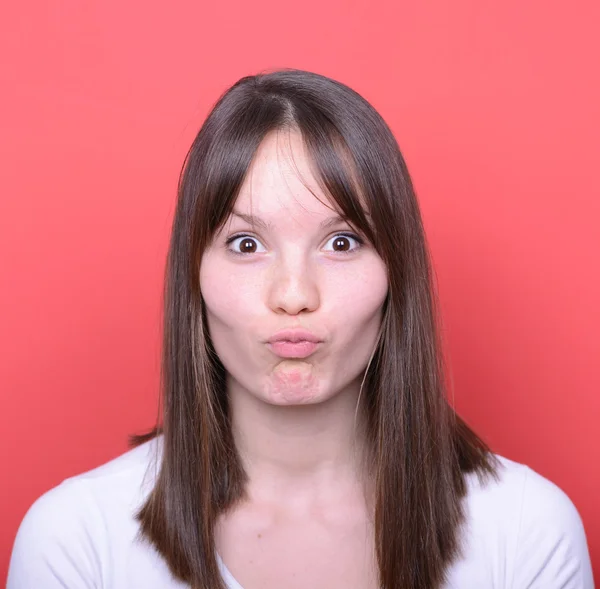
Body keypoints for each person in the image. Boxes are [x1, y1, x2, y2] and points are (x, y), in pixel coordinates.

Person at [7, 68, 594, 589]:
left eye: (342, 243)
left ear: (397, 271)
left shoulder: (525, 531)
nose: (294, 295)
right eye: (246, 243)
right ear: (194, 273)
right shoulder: (76, 540)